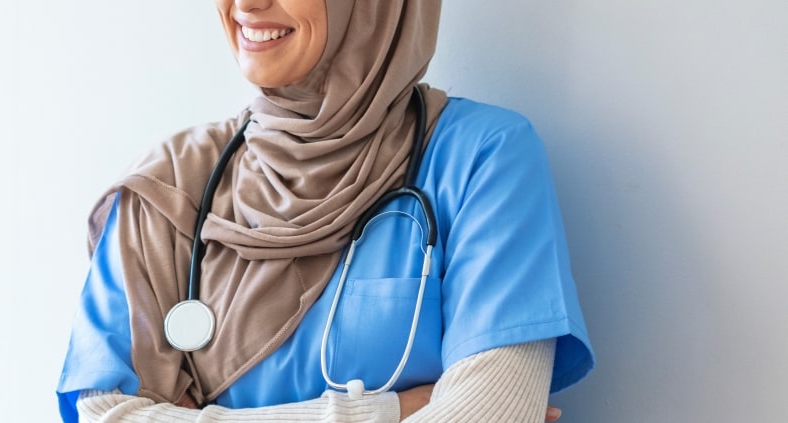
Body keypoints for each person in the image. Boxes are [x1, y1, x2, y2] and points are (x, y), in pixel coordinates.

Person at [56, 0, 594, 421]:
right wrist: (387, 412)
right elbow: (105, 416)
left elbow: (492, 414)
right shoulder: (167, 187)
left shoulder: (483, 158)